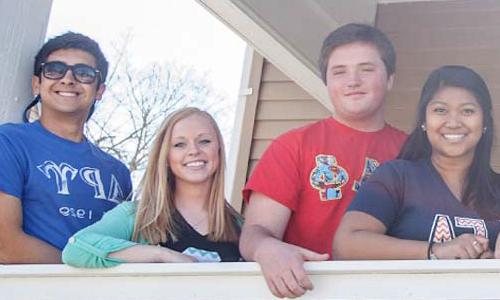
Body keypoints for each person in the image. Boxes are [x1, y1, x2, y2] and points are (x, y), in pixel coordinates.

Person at [240, 23, 407, 298]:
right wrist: (266, 248)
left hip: (393, 291)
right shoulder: (293, 146)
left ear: (390, 79)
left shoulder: (414, 152)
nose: (353, 81)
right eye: (339, 72)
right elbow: (257, 231)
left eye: (366, 69)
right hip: (310, 291)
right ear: (327, 82)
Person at [333, 65, 500, 260]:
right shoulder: (396, 177)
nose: (453, 122)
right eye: (440, 110)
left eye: (467, 111)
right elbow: (346, 244)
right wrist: (435, 250)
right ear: (424, 120)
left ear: (485, 122)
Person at [0, 32, 132, 263]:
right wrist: (85, 267)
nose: (68, 79)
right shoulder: (9, 142)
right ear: (36, 84)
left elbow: (127, 244)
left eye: (84, 73)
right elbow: (5, 245)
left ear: (99, 90)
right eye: (54, 69)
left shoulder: (117, 172)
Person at [62, 107, 242, 267]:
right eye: (179, 144)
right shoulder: (137, 216)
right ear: (165, 157)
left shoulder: (240, 227)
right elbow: (76, 247)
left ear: (218, 149)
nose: (194, 150)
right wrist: (162, 255)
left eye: (204, 141)